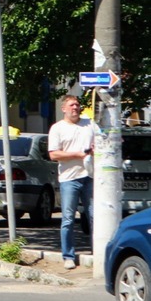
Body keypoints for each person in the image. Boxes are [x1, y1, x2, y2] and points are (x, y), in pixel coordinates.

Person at [48, 94, 97, 269]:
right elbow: (53, 154)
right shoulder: (57, 128)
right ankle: (68, 255)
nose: (75, 108)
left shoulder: (89, 124)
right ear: (64, 109)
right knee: (68, 218)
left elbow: (101, 140)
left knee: (94, 217)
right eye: (71, 105)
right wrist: (78, 154)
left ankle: (97, 254)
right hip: (69, 179)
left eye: (77, 105)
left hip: (90, 176)